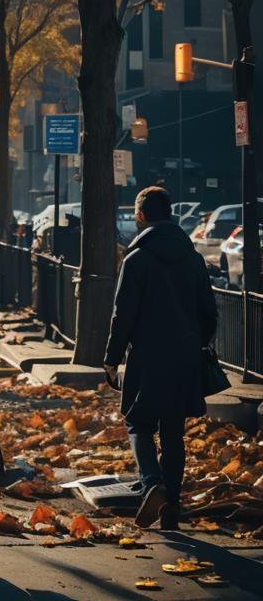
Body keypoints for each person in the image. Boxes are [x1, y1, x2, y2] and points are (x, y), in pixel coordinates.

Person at [104, 185, 218, 530]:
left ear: (141, 216)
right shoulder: (194, 259)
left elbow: (122, 313)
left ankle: (151, 482)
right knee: (173, 431)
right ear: (169, 214)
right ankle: (173, 508)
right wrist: (195, 343)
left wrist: (111, 358)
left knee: (138, 422)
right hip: (184, 357)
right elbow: (209, 314)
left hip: (147, 356)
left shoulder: (136, 259)